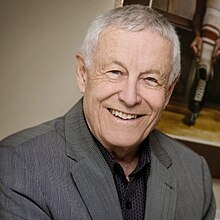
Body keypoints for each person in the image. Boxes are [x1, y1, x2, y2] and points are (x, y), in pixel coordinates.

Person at [0, 4, 216, 220]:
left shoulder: (195, 173)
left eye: (150, 79)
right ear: (83, 74)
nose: (130, 98)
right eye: (115, 72)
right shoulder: (16, 164)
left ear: (168, 93)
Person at [187, 0, 220, 125]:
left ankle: (205, 66)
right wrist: (197, 35)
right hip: (208, 37)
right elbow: (199, 15)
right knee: (213, 11)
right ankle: (205, 69)